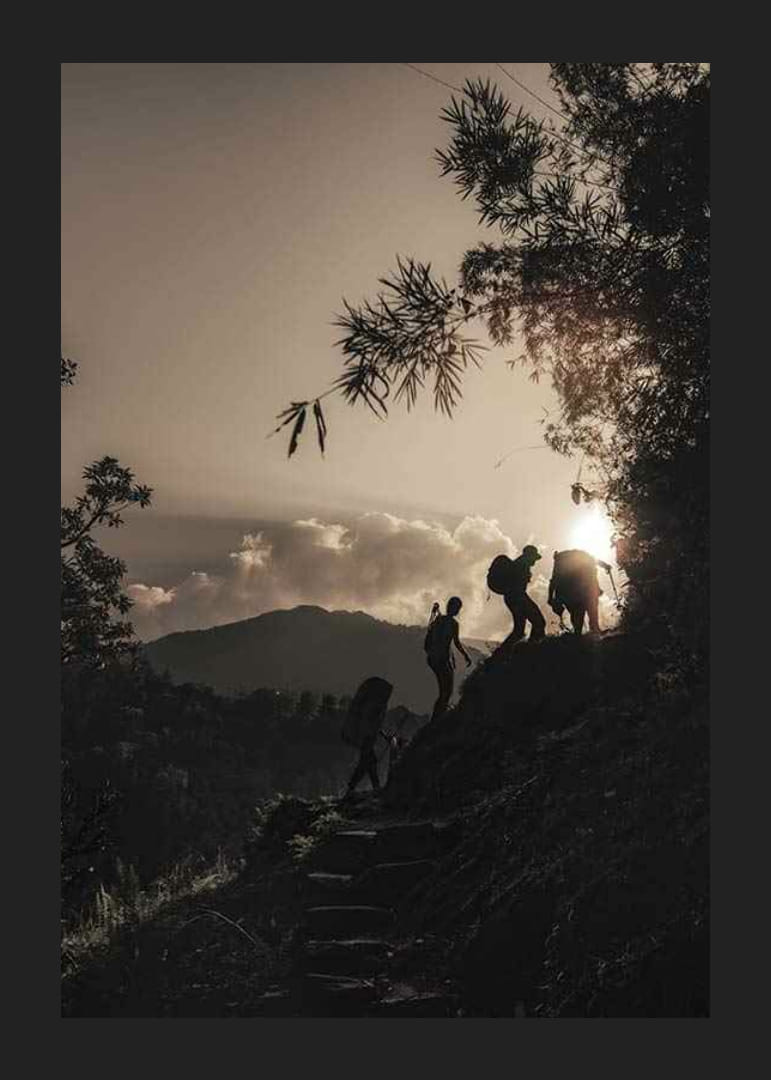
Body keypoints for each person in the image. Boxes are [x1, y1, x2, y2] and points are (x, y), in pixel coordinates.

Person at [342, 676, 393, 797]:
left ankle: (371, 787)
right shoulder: (374, 707)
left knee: (369, 763)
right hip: (367, 738)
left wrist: (384, 736)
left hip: (368, 738)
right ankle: (356, 787)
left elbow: (375, 725)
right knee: (367, 763)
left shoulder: (374, 707)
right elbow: (370, 723)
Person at [424, 597, 472, 722]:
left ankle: (437, 717)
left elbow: (433, 639)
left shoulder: (438, 620)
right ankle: (437, 719)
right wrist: (465, 655)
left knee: (444, 691)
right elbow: (456, 642)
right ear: (456, 609)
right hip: (442, 661)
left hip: (433, 659)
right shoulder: (453, 624)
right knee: (446, 691)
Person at [548, 549, 612, 636]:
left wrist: (551, 597)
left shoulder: (562, 561)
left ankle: (583, 632)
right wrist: (605, 566)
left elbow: (554, 581)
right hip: (579, 590)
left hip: (578, 590)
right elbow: (594, 560)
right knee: (587, 609)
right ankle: (591, 630)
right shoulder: (566, 560)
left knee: (580, 612)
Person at [502, 545, 546, 644]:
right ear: (529, 555)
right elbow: (517, 587)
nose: (535, 561)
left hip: (514, 597)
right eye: (534, 558)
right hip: (517, 598)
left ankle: (499, 656)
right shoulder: (522, 565)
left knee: (519, 631)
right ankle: (532, 649)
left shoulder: (519, 563)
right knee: (539, 622)